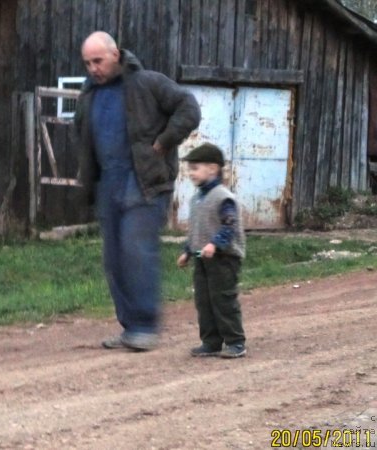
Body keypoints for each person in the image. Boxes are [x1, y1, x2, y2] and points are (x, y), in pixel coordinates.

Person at [75, 31, 201, 351]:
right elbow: (84, 139)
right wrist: (88, 181)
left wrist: (164, 141)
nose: (93, 68)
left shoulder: (147, 83)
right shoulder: (89, 95)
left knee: (136, 249)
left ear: (115, 54)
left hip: (144, 181)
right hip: (108, 184)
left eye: (98, 61)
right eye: (87, 63)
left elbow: (188, 107)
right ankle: (130, 327)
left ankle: (145, 325)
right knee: (114, 259)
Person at [176, 143, 247, 358]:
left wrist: (215, 244)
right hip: (202, 258)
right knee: (204, 300)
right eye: (190, 168)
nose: (191, 173)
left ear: (212, 169)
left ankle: (236, 342)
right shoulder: (197, 199)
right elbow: (196, 230)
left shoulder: (223, 197)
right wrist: (188, 251)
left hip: (224, 258)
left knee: (223, 298)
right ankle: (211, 341)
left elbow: (229, 226)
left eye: (195, 168)